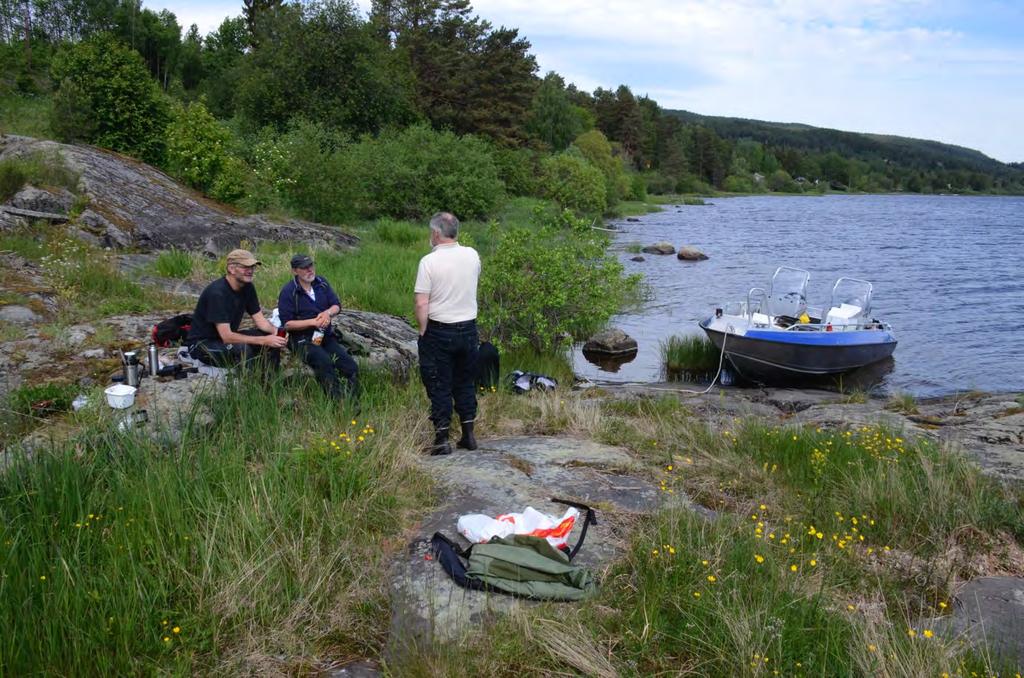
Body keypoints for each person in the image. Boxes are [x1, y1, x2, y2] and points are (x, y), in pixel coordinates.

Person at [414, 212, 481, 455]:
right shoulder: (472, 255)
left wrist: (423, 330)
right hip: (468, 327)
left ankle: (442, 439)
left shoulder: (428, 262)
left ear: (436, 233)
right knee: (465, 381)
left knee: (439, 383)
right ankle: (468, 435)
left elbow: (422, 303)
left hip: (440, 329)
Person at [186, 249, 287, 369]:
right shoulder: (217, 293)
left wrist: (277, 332)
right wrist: (264, 340)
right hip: (203, 344)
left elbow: (261, 321)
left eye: (252, 267)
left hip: (226, 339)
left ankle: (271, 379)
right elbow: (227, 336)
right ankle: (248, 384)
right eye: (245, 267)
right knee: (243, 349)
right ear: (231, 269)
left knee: (270, 339)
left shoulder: (247, 287)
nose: (250, 271)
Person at [277, 253, 359, 401]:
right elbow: (287, 324)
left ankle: (353, 400)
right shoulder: (289, 292)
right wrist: (313, 322)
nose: (310, 270)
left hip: (323, 335)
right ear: (295, 271)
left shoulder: (321, 283)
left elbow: (337, 306)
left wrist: (327, 313)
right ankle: (338, 403)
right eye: (304, 268)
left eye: (311, 266)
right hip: (302, 339)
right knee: (324, 362)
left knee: (349, 365)